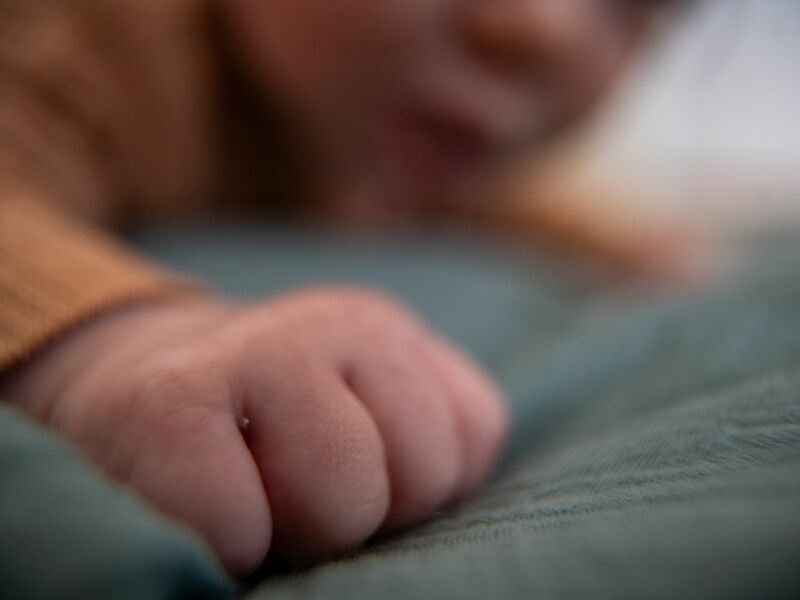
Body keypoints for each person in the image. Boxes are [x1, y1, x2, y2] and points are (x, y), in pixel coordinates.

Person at [0, 0, 681, 576]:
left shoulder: (378, 121)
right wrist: (106, 351)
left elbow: (482, 197)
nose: (545, 28)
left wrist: (615, 242)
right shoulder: (95, 31)